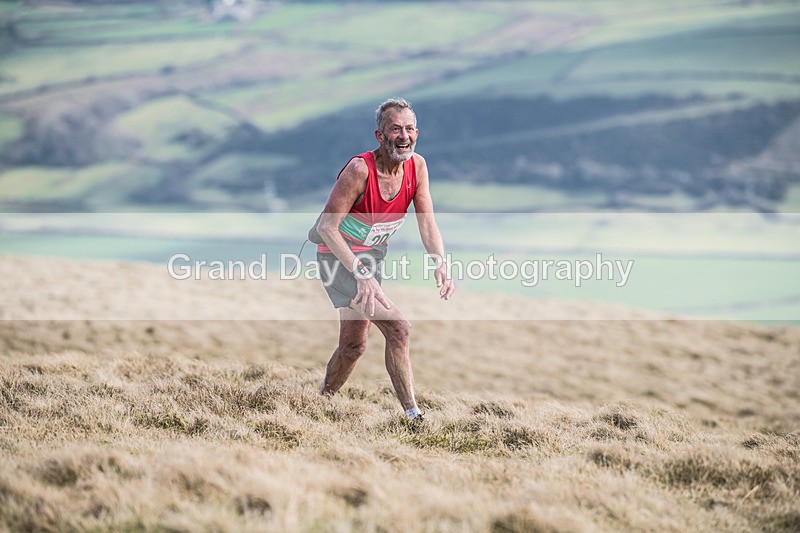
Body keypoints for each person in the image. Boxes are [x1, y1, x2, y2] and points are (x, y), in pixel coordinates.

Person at [316, 97, 455, 421]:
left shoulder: (417, 166)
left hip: (369, 259)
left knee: (354, 347)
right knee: (398, 329)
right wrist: (360, 274)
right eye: (395, 129)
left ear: (417, 133)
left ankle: (321, 403)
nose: (403, 136)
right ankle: (413, 415)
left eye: (409, 129)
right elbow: (326, 227)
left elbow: (426, 220)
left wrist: (440, 263)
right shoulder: (359, 170)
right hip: (338, 257)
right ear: (380, 136)